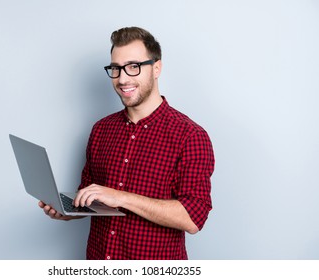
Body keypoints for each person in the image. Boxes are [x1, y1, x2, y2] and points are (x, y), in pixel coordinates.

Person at [39, 26, 215, 260]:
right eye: (116, 69)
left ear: (156, 68)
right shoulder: (101, 130)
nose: (122, 79)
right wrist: (68, 210)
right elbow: (92, 197)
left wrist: (121, 197)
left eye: (133, 67)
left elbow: (193, 218)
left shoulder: (189, 135)